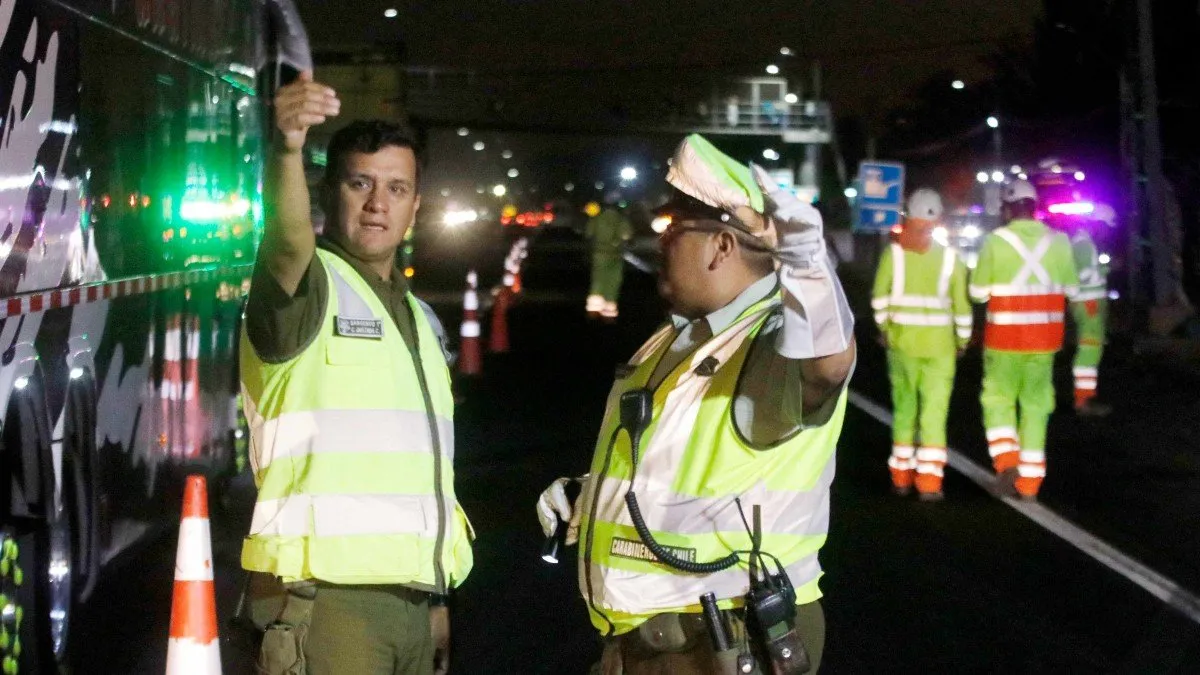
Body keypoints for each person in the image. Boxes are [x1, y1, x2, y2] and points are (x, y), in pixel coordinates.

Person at [536, 134, 856, 674]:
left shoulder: (770, 339)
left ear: (721, 245)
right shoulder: (682, 337)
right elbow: (687, 464)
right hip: (649, 640)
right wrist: (593, 501)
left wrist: (806, 259)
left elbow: (828, 365)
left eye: (674, 230)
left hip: (721, 640)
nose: (660, 242)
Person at [239, 70, 474, 675]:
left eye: (397, 189)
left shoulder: (417, 318)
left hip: (412, 602)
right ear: (327, 193)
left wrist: (434, 599)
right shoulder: (303, 287)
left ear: (416, 206)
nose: (378, 204)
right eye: (360, 183)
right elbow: (287, 240)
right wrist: (288, 148)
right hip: (324, 603)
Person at [969, 179, 1080, 501]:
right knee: (1036, 406)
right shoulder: (1059, 242)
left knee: (998, 401)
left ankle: (1006, 464)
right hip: (1044, 341)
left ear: (1007, 208)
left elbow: (977, 294)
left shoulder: (995, 241)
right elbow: (1073, 290)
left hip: (1003, 339)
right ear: (1034, 207)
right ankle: (1030, 483)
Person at [872, 188, 971, 500]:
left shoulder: (894, 254)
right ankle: (929, 484)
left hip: (902, 344)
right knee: (934, 414)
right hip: (941, 347)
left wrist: (884, 328)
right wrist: (963, 339)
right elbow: (962, 306)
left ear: (907, 216)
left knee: (905, 410)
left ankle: (900, 477)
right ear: (938, 218)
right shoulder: (951, 258)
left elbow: (879, 298)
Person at [585, 192, 633, 320]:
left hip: (599, 254)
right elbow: (627, 236)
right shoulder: (621, 219)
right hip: (615, 255)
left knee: (598, 279)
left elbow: (588, 233)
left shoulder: (597, 217)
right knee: (613, 281)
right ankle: (609, 311)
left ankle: (593, 310)